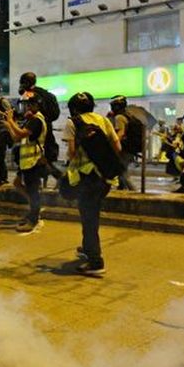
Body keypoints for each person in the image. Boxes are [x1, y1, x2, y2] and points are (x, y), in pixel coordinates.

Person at [61, 92, 121, 275]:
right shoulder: (103, 120)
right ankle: (88, 248)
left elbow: (72, 153)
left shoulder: (73, 122)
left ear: (73, 108)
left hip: (87, 177)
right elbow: (118, 147)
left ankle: (95, 261)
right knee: (90, 214)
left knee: (89, 218)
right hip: (105, 177)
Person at [3, 94, 46, 232]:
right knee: (18, 183)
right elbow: (16, 138)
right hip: (26, 162)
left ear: (36, 105)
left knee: (33, 191)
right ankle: (34, 209)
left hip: (33, 161)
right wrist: (9, 125)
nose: (26, 107)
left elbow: (21, 133)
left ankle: (34, 219)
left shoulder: (36, 120)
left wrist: (11, 121)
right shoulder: (31, 120)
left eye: (29, 105)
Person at [19, 71, 62, 184]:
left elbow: (25, 112)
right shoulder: (45, 93)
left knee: (36, 156)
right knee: (45, 155)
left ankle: (58, 178)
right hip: (46, 125)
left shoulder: (30, 94)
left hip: (36, 126)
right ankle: (51, 179)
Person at [109, 95, 137, 191]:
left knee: (122, 172)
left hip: (124, 149)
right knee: (120, 170)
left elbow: (121, 133)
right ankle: (121, 189)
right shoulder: (128, 115)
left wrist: (113, 145)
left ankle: (134, 191)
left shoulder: (119, 117)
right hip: (129, 148)